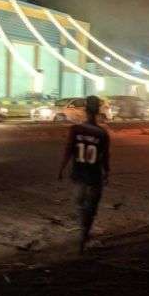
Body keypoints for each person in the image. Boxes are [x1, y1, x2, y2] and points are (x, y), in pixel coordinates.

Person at [58, 95, 110, 254]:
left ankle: (83, 233)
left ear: (85, 111)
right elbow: (105, 157)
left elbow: (68, 150)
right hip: (94, 176)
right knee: (91, 208)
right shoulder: (102, 133)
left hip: (79, 175)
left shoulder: (75, 130)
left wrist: (61, 169)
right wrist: (106, 173)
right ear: (97, 111)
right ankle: (84, 236)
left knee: (80, 204)